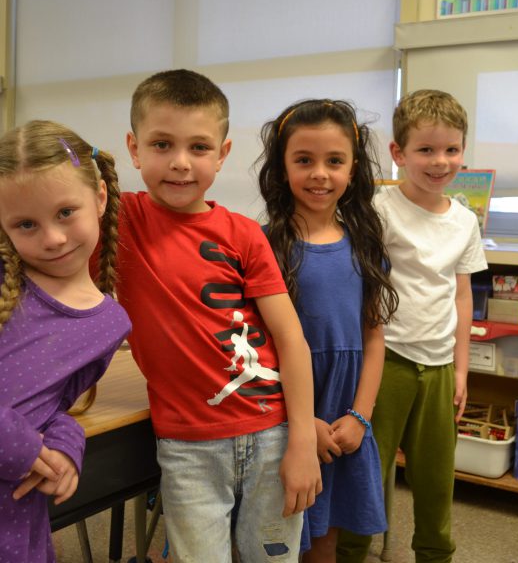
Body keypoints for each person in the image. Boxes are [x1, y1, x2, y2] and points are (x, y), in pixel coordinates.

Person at [116, 69, 321, 562]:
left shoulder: (243, 233)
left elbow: (291, 339)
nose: (181, 163)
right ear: (134, 147)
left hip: (272, 433)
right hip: (188, 446)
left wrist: (303, 442)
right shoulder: (120, 220)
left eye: (200, 148)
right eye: (162, 144)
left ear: (223, 153)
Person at [337, 89, 488, 563]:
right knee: (367, 472)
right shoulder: (378, 209)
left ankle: (435, 553)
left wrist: (462, 371)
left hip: (440, 365)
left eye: (451, 149)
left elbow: (462, 298)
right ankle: (351, 552)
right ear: (399, 154)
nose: (440, 161)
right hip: (387, 360)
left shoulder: (464, 221)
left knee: (437, 477)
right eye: (425, 150)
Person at [256, 98, 399, 562]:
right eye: (304, 160)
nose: (320, 173)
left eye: (334, 161)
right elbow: (256, 347)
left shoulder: (364, 243)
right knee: (275, 533)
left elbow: (373, 337)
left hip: (343, 412)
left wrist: (360, 416)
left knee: (325, 533)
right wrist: (300, 422)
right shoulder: (262, 246)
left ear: (353, 169)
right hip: (284, 411)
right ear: (281, 169)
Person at [0, 120, 131, 562]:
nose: (52, 239)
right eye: (25, 225)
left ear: (99, 197)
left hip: (15, 516)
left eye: (64, 213)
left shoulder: (109, 324)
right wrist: (13, 442)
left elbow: (56, 406)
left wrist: (67, 445)